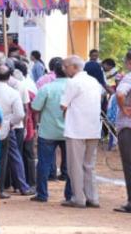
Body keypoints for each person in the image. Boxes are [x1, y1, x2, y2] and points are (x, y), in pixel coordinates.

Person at [60, 54, 104, 208]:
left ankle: (78, 198)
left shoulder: (73, 82)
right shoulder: (94, 82)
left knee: (75, 166)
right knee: (89, 165)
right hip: (93, 128)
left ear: (74, 67)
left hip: (76, 129)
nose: (64, 70)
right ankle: (93, 197)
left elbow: (63, 105)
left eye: (66, 67)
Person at [31, 58, 69, 203]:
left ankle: (42, 194)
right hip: (69, 131)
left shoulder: (47, 88)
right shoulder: (74, 87)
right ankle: (70, 194)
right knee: (71, 164)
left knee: (44, 163)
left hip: (48, 131)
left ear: (54, 72)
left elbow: (35, 107)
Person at [0, 65, 30, 197]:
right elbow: (20, 114)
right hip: (6, 128)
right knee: (5, 158)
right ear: (9, 77)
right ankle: (1, 189)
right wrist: (10, 123)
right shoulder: (12, 92)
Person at [114, 51, 131, 214]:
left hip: (128, 127)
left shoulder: (128, 78)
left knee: (129, 164)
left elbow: (120, 93)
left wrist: (123, 108)